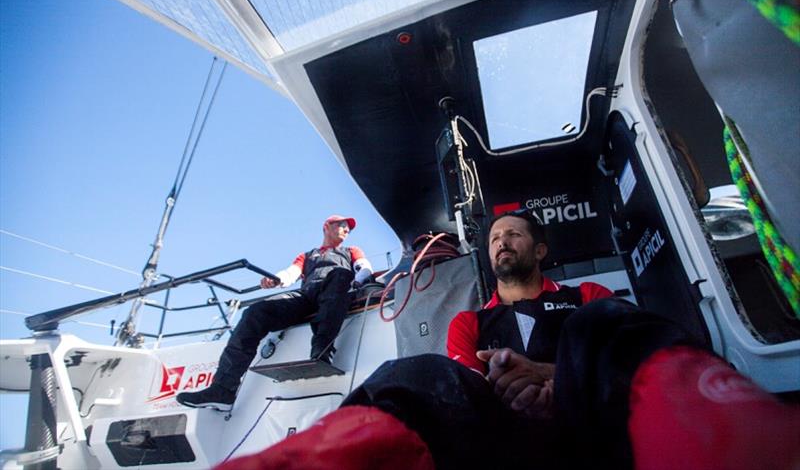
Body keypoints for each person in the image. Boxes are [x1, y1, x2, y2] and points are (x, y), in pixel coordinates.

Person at [215, 211, 800, 469]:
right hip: (509, 448)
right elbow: (467, 386)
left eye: (514, 234)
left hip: (604, 432)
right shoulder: (468, 324)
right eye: (495, 237)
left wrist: (552, 379)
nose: (501, 243)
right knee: (414, 377)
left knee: (608, 325)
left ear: (539, 250)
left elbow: (614, 358)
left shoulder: (588, 297)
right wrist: (509, 386)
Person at [176, 215, 373, 412]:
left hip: (335, 292)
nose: (346, 230)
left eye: (348, 228)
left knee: (341, 274)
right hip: (307, 296)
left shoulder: (351, 251)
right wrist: (276, 280)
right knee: (254, 313)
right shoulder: (307, 255)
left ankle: (321, 351)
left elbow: (363, 268)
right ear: (327, 226)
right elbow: (290, 273)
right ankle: (222, 389)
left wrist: (359, 281)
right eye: (342, 225)